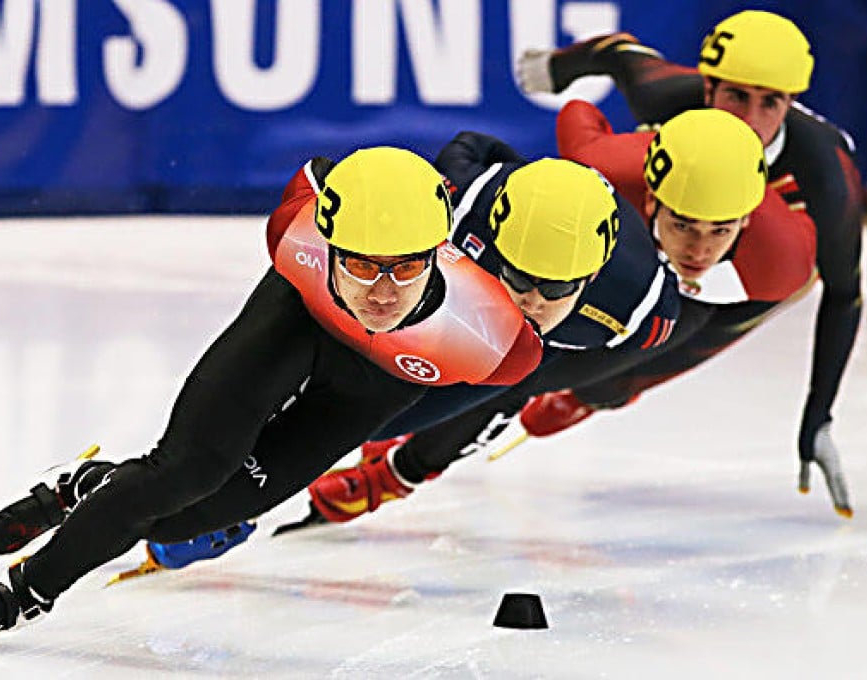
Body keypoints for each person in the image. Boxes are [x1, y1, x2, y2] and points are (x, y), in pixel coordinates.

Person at [0, 147, 548, 639]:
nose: (383, 291)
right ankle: (27, 594)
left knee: (197, 518)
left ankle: (87, 487)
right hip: (298, 320)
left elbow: (455, 407)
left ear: (439, 252)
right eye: (360, 264)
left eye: (406, 265)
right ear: (327, 241)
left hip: (367, 389)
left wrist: (404, 456)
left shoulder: (494, 340)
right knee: (185, 473)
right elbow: (314, 172)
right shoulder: (293, 234)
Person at [111, 145, 683, 574]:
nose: (530, 300)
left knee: (429, 409)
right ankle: (207, 485)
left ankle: (263, 500)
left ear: (593, 278)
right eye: (514, 277)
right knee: (331, 378)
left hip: (536, 354)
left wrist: (403, 471)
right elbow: (470, 147)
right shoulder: (466, 204)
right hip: (441, 313)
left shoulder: (640, 313)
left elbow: (521, 385)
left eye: (556, 289)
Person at [306, 105, 818, 525]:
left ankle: (397, 476)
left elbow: (701, 339)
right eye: (683, 224)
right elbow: (550, 120)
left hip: (651, 316)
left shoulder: (775, 265)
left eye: (720, 231)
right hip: (576, 245)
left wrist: (597, 392)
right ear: (653, 192)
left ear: (747, 220)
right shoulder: (601, 164)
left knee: (516, 378)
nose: (698, 248)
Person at [517, 10, 863, 515]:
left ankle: (600, 393)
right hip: (672, 218)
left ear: (791, 105)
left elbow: (843, 293)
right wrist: (558, 67)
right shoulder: (665, 95)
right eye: (736, 96)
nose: (749, 118)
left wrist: (819, 416)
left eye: (771, 103)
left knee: (622, 370)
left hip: (764, 258)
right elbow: (618, 51)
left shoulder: (826, 175)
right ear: (707, 89)